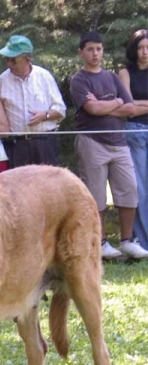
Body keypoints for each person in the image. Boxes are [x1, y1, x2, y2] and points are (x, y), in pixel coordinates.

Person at [70, 31, 148, 260]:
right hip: (92, 141)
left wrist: (105, 104)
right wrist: (116, 103)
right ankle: (101, 242)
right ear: (81, 52)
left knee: (130, 190)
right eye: (91, 49)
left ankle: (127, 241)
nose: (95, 54)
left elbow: (131, 107)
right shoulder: (79, 79)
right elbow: (91, 110)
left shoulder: (113, 78)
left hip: (119, 141)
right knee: (96, 196)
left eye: (99, 49)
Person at [0, 35, 66, 168]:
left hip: (44, 143)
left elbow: (61, 109)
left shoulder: (44, 76)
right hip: (16, 146)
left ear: (27, 59)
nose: (9, 64)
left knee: (48, 186)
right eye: (7, 59)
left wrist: (45, 115)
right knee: (17, 188)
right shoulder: (1, 82)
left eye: (13, 60)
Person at [119, 29, 148, 250]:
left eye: (147, 47)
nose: (144, 52)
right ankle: (143, 242)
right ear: (134, 49)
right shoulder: (125, 73)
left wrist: (140, 104)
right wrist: (137, 106)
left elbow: (133, 104)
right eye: (140, 48)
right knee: (140, 189)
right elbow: (127, 109)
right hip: (134, 132)